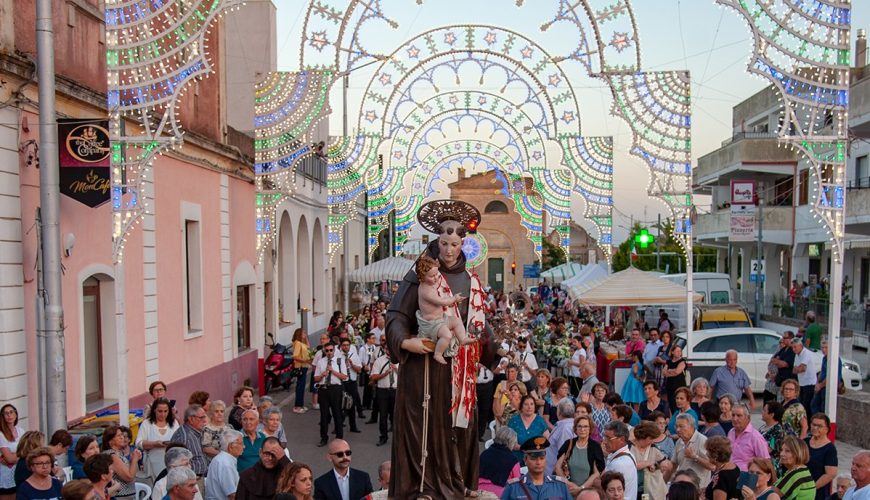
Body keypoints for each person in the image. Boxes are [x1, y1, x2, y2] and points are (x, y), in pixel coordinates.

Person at [385, 203, 500, 499]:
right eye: (443, 243)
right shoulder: (421, 274)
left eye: (455, 244)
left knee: (458, 427)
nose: (448, 250)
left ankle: (457, 482)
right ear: (437, 241)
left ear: (464, 243)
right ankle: (421, 486)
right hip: (423, 364)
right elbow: (396, 314)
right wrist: (403, 341)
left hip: (459, 367)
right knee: (421, 426)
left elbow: (477, 324)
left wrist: (491, 347)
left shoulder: (471, 280)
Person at [415, 254, 473, 365]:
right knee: (447, 335)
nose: (436, 277)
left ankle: (463, 338)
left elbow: (438, 283)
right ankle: (438, 353)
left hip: (441, 319)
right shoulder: (425, 291)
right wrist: (454, 299)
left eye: (436, 274)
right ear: (422, 277)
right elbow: (442, 302)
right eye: (432, 276)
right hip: (432, 324)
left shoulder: (430, 282)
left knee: (456, 320)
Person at [500, 436, 572, 500]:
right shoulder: (513, 487)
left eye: (542, 458)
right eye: (533, 459)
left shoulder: (559, 485)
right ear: (525, 460)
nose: (538, 462)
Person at [554, 415, 604, 497]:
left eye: (585, 426)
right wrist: (568, 484)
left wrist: (581, 488)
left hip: (587, 493)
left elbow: (596, 473)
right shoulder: (568, 444)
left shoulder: (595, 447)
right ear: (575, 428)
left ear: (590, 429)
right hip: (567, 491)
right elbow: (558, 467)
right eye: (579, 426)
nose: (582, 429)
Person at [137, 397, 180, 482]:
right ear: (154, 410)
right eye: (160, 411)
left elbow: (179, 440)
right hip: (152, 464)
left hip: (171, 463)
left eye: (165, 411)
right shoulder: (147, 424)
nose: (163, 414)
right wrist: (154, 444)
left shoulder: (174, 423)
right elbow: (139, 443)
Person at [313, 342, 348, 447]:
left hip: (335, 388)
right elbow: (315, 378)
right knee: (324, 415)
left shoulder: (339, 361)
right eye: (327, 350)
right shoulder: (320, 362)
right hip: (323, 389)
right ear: (324, 351)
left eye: (331, 350)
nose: (329, 352)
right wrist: (322, 375)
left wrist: (333, 371)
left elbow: (344, 377)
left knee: (337, 413)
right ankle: (324, 438)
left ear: (334, 350)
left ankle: (339, 437)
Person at [668, 414, 711, 487]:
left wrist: (695, 457)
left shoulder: (703, 441)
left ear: (691, 427)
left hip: (698, 489)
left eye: (681, 426)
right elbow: (673, 464)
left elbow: (712, 466)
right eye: (676, 426)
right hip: (681, 487)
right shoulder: (679, 441)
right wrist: (664, 482)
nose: (677, 429)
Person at [631, 421, 670, 500]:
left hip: (649, 490)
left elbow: (665, 464)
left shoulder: (653, 448)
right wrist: (649, 463)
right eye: (651, 439)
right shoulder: (629, 447)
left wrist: (657, 466)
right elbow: (632, 466)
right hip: (633, 488)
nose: (653, 441)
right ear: (645, 437)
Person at [478, 427, 521, 496]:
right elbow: (517, 481)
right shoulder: (513, 460)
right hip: (499, 494)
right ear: (511, 442)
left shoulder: (484, 453)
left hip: (479, 491)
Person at [101, 424, 141, 499]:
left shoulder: (118, 453)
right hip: (120, 497)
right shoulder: (112, 456)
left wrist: (133, 460)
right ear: (110, 441)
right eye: (118, 436)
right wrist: (135, 460)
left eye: (122, 435)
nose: (122, 437)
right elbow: (129, 477)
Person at [369, 343, 398, 447]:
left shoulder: (400, 359)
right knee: (383, 415)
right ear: (384, 349)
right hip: (382, 391)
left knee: (395, 416)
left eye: (390, 348)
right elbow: (373, 377)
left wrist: (396, 369)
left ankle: (397, 439)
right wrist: (385, 374)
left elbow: (405, 376)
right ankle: (383, 437)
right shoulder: (379, 360)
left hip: (395, 390)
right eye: (387, 348)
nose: (389, 351)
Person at [169, 404, 208, 477]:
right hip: (189, 479)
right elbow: (178, 465)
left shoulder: (196, 433)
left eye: (204, 417)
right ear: (191, 419)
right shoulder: (184, 437)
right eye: (201, 417)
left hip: (199, 477)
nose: (205, 420)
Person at [728, 403, 770, 471]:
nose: (735, 418)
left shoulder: (755, 437)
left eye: (739, 416)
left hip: (745, 476)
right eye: (733, 415)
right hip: (730, 474)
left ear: (747, 417)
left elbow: (765, 461)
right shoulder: (731, 432)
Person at [601, 421, 637, 500]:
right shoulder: (629, 455)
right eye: (604, 437)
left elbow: (603, 488)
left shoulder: (619, 464)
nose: (604, 441)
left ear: (621, 439)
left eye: (608, 438)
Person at [507, 396, 549, 463]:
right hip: (516, 460)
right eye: (526, 404)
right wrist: (525, 448)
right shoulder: (514, 421)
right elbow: (509, 443)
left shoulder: (540, 421)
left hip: (536, 460)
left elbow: (547, 439)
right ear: (521, 407)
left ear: (535, 406)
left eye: (532, 404)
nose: (529, 407)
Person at [805, 413, 837, 500]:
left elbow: (830, 474)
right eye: (813, 424)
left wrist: (811, 488)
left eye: (819, 426)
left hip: (817, 492)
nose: (815, 428)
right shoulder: (805, 442)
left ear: (826, 429)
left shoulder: (830, 449)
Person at [204, 429, 243, 500]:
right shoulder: (226, 463)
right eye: (241, 444)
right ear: (231, 446)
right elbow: (232, 494)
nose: (244, 447)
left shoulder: (223, 459)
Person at [811, 340, 843, 415]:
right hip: (822, 385)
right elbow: (822, 372)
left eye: (826, 347)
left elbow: (831, 376)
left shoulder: (834, 359)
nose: (824, 350)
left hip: (828, 387)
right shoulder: (825, 358)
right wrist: (817, 383)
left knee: (823, 407)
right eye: (822, 348)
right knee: (814, 404)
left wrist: (820, 385)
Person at [546, 399, 576, 476]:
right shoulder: (565, 425)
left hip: (557, 476)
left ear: (559, 412)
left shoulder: (565, 428)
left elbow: (564, 456)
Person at [0, 404, 23, 500]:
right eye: (6, 413)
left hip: (19, 470)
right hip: (5, 473)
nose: (9, 415)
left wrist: (14, 456)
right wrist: (22, 455)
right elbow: (9, 459)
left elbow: (28, 452)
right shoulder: (1, 434)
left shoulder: (21, 431)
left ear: (16, 414)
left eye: (11, 412)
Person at [791, 339, 817, 415]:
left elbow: (802, 368)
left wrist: (798, 368)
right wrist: (799, 368)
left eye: (795, 347)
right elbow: (794, 370)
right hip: (801, 383)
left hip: (809, 383)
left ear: (801, 346)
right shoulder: (797, 355)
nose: (794, 349)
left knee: (807, 406)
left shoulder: (806, 353)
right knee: (801, 404)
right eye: (793, 347)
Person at [202, 400, 232, 465]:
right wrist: (223, 455)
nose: (219, 414)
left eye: (222, 411)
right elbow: (206, 448)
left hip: (229, 461)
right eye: (216, 411)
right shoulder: (207, 429)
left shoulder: (229, 428)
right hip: (213, 462)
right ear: (211, 413)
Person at [762, 401, 787, 476]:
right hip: (760, 463)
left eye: (764, 410)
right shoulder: (763, 427)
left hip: (770, 468)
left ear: (771, 414)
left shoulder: (777, 431)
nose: (762, 412)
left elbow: (769, 449)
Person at [292, 328, 313, 414]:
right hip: (300, 366)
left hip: (304, 366)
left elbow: (308, 347)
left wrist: (305, 338)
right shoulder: (297, 343)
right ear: (299, 334)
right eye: (303, 332)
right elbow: (295, 356)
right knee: (300, 387)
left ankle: (301, 404)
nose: (305, 333)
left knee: (302, 386)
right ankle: (297, 406)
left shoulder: (302, 343)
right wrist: (305, 361)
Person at [664, 345, 689, 413]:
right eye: (677, 351)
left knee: (679, 404)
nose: (679, 353)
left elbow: (677, 372)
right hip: (670, 386)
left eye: (680, 351)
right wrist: (672, 371)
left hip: (679, 386)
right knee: (671, 404)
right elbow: (664, 373)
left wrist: (669, 370)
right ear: (672, 352)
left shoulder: (682, 361)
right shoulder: (668, 361)